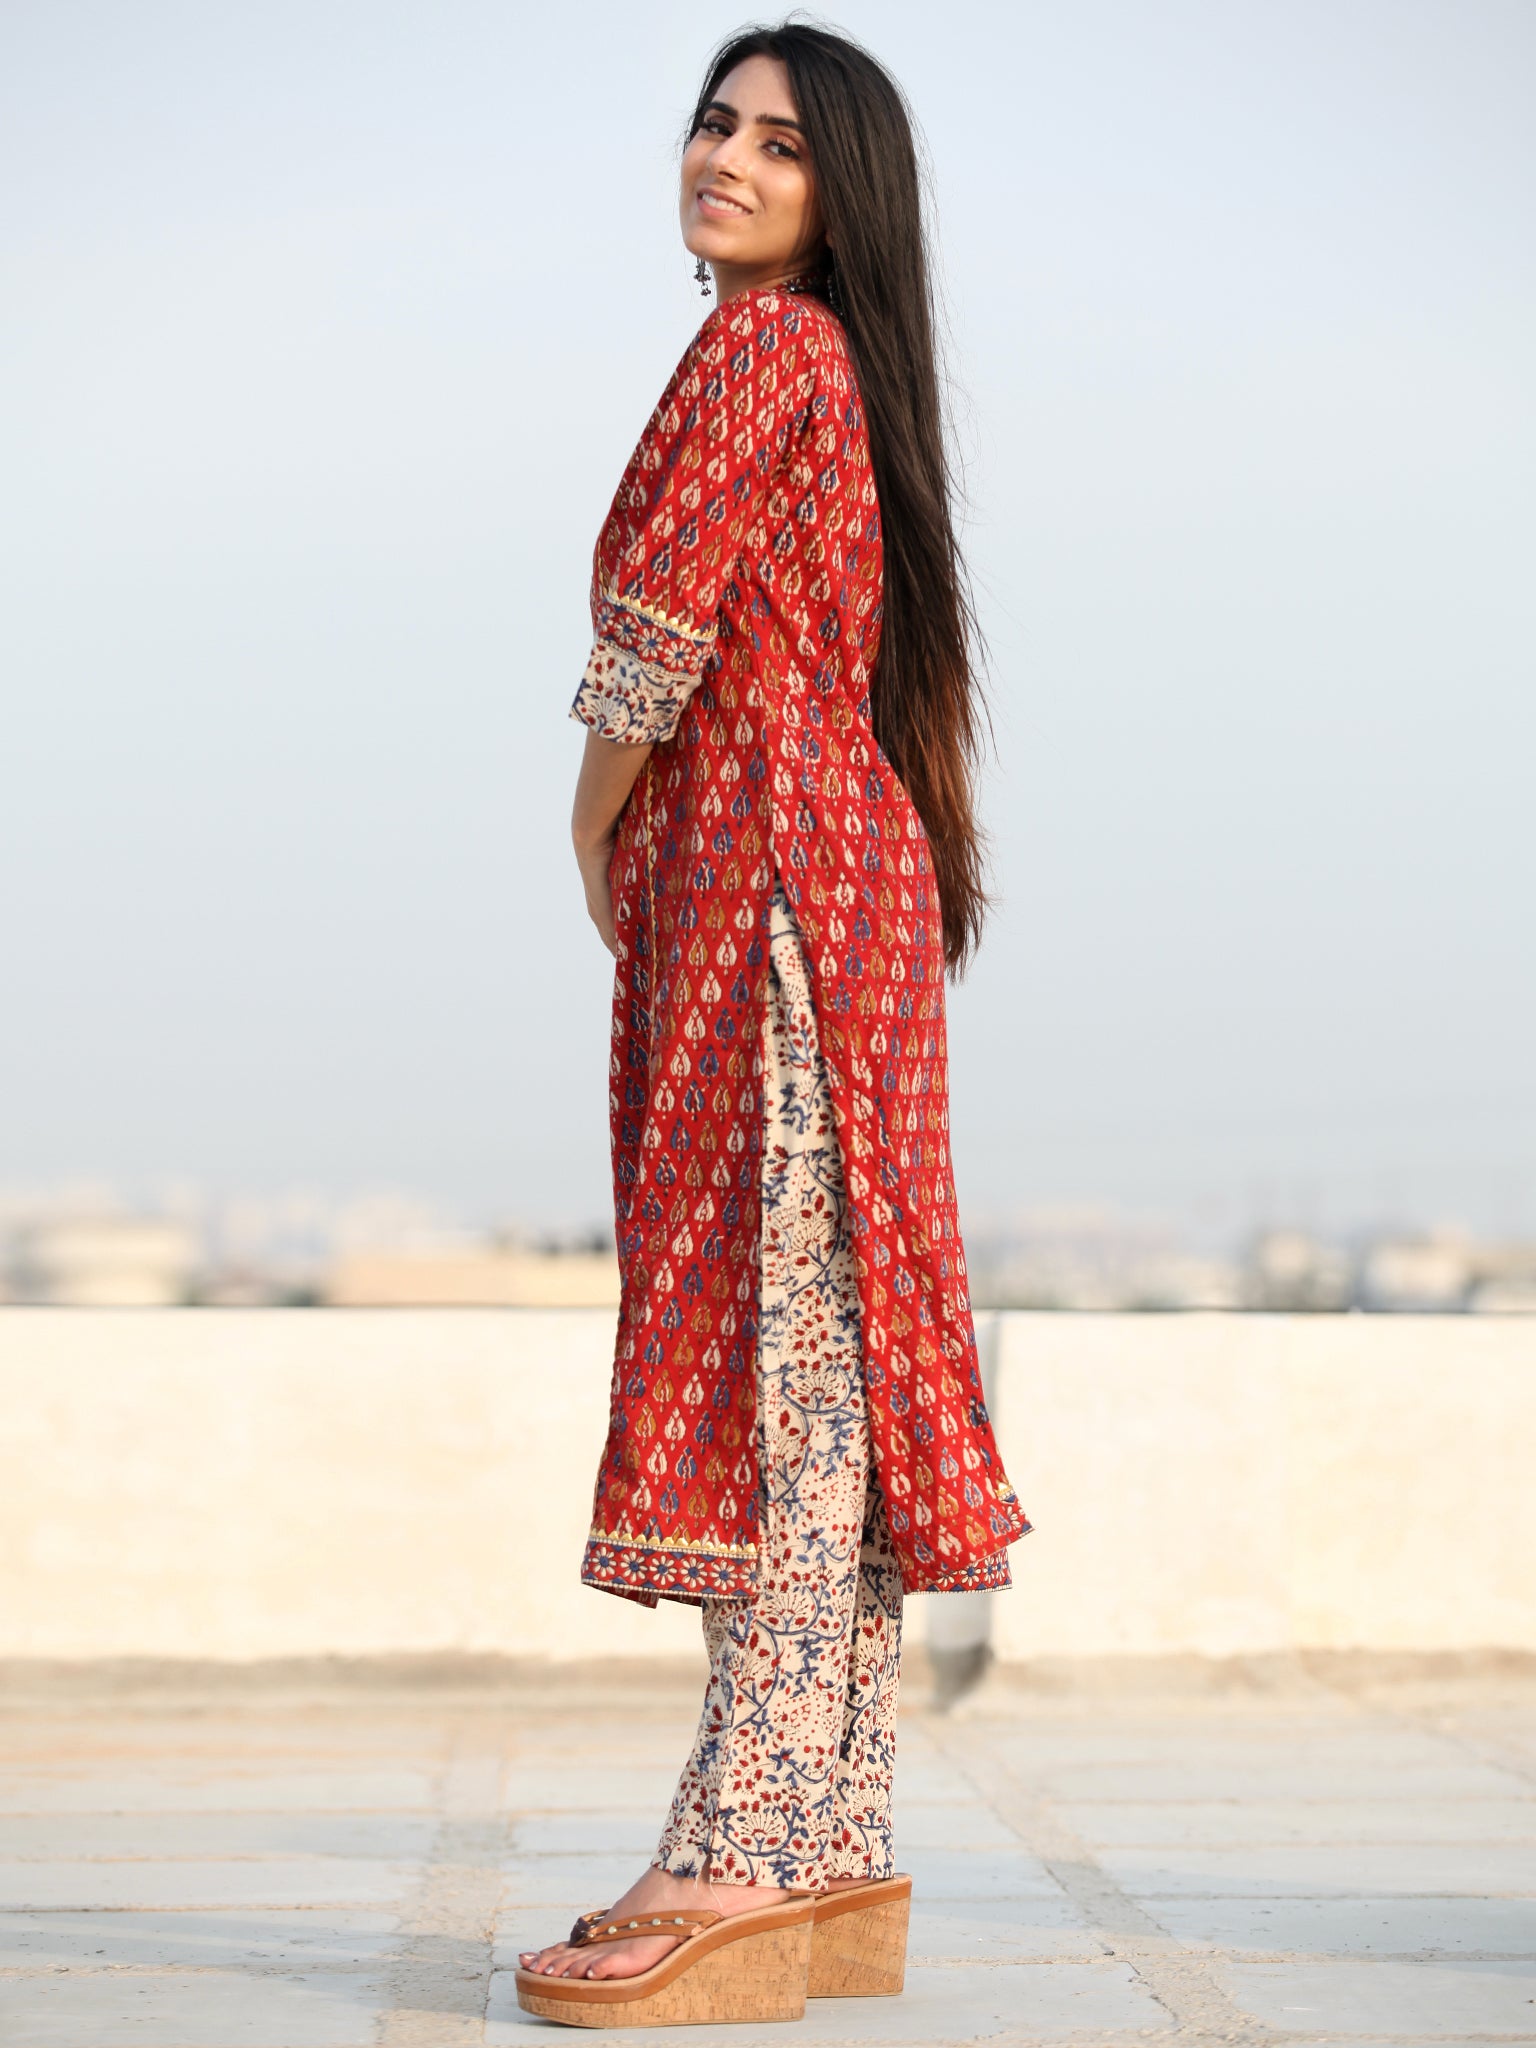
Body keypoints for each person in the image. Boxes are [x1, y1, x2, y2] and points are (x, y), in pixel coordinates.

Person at [516, 21, 1031, 2029]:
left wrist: (591, 830)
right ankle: (821, 1834)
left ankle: (744, 1848)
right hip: (833, 880)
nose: (725, 158)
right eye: (713, 123)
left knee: (779, 1368)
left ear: (843, 194)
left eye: (781, 144)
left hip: (771, 893)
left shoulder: (760, 350)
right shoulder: (832, 365)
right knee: (830, 1361)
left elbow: (652, 633)